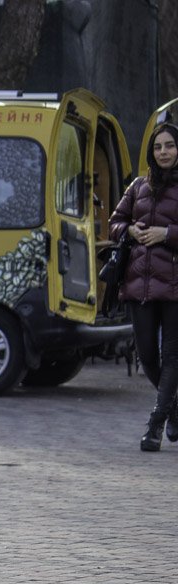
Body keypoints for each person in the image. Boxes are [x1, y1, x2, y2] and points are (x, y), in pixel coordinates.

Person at [109, 121, 178, 452]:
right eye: (157, 147)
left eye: (169, 146)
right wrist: (131, 231)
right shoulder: (138, 186)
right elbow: (114, 223)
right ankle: (175, 409)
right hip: (139, 283)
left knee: (172, 357)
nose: (163, 152)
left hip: (176, 286)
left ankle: (155, 424)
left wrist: (167, 234)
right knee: (147, 354)